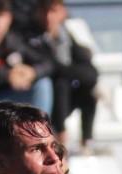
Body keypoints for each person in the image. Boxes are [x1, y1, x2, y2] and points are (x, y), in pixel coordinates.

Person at [25, 0, 98, 150]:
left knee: (89, 92)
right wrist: (68, 71)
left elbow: (90, 73)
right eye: (44, 11)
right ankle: (60, 135)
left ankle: (87, 141)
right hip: (38, 100)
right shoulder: (29, 37)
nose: (48, 17)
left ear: (63, 13)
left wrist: (66, 70)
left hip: (62, 100)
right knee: (60, 83)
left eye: (53, 11)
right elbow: (49, 67)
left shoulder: (66, 38)